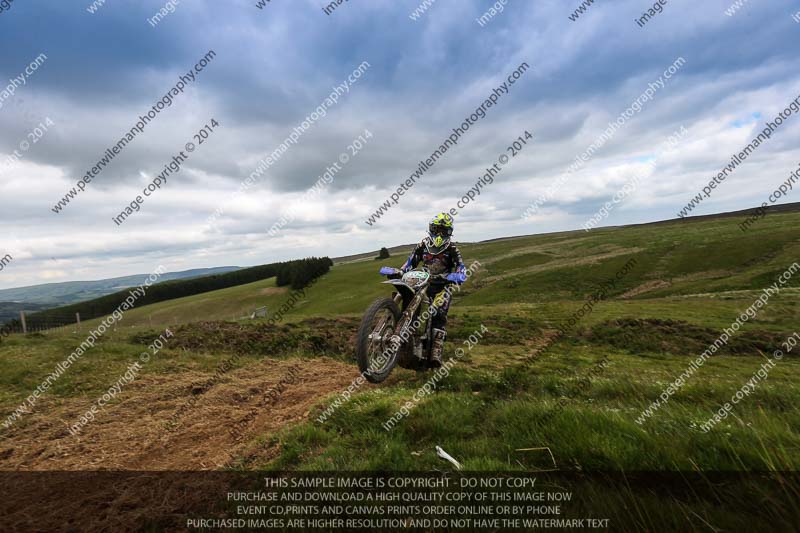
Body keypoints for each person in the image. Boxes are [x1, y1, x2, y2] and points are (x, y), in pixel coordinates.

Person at [399, 212, 466, 367]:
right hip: (422, 282)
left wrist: (459, 275)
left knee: (439, 314)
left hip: (443, 285)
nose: (439, 234)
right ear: (431, 229)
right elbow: (411, 261)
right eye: (436, 229)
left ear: (449, 232)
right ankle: (407, 339)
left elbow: (460, 266)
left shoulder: (452, 248)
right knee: (411, 307)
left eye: (443, 231)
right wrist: (401, 271)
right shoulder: (423, 244)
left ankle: (436, 349)